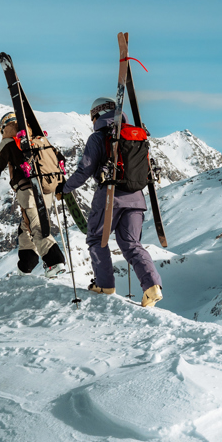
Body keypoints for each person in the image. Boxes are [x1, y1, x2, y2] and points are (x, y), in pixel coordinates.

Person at [60, 96, 163, 307]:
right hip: (136, 199)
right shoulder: (134, 136)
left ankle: (105, 284)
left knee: (97, 238)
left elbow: (84, 170)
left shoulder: (99, 137)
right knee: (132, 244)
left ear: (96, 115)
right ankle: (152, 287)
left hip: (110, 197)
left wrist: (64, 188)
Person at [0, 110, 66, 277]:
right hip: (47, 190)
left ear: (4, 127)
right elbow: (59, 160)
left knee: (36, 227)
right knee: (26, 227)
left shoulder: (9, 142)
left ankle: (55, 263)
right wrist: (60, 186)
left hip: (28, 191)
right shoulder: (38, 139)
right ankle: (26, 267)